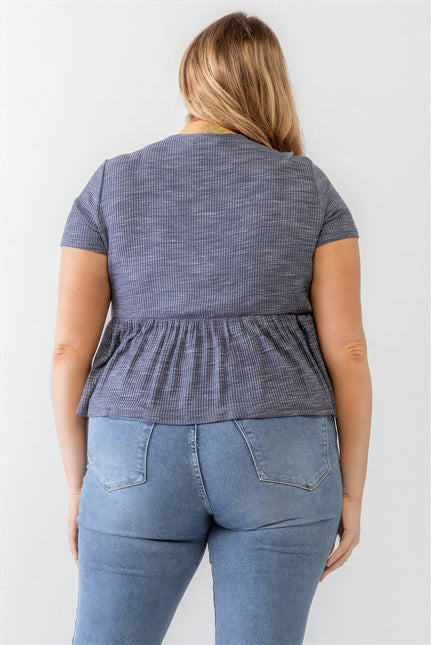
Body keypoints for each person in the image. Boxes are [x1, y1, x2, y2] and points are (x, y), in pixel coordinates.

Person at [51, 10, 372, 645]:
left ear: (190, 80)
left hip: (134, 454)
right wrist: (353, 494)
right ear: (271, 86)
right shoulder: (310, 188)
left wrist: (79, 483)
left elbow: (67, 351)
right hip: (282, 452)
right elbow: (350, 351)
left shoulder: (112, 183)